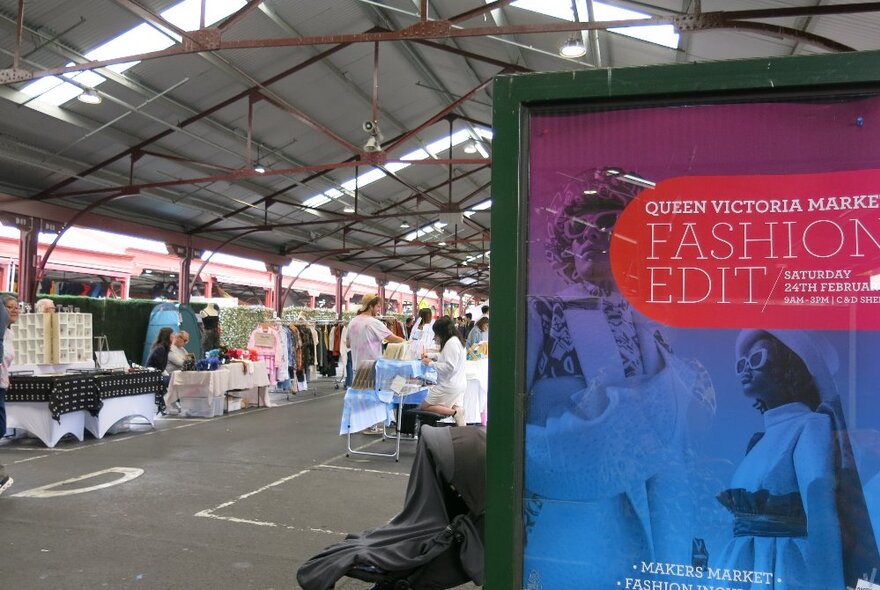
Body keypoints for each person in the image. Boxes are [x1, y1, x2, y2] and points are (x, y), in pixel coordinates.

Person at [522, 168, 716, 589]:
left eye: (609, 223)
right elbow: (515, 434)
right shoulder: (539, 314)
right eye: (578, 228)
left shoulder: (657, 329)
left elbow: (688, 434)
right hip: (569, 533)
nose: (590, 234)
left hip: (648, 531)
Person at [715, 329, 879, 590]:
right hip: (744, 571)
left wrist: (828, 584)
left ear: (790, 368)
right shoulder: (759, 442)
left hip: (784, 571)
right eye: (742, 364)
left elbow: (820, 514)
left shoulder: (811, 426)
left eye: (757, 359)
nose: (746, 368)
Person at [346, 294, 405, 434]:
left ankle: (364, 424)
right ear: (371, 305)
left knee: (363, 396)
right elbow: (391, 337)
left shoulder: (353, 322)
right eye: (378, 306)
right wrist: (405, 342)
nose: (379, 309)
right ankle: (370, 426)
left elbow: (348, 343)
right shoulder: (373, 322)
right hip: (372, 364)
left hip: (357, 364)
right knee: (373, 396)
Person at [419, 317, 467, 427]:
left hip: (448, 384)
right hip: (458, 383)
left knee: (425, 407)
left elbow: (449, 367)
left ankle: (455, 413)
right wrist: (431, 355)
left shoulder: (451, 343)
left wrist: (431, 363)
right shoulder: (457, 340)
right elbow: (446, 357)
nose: (436, 337)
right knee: (455, 405)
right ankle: (462, 428)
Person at [0, 294, 20, 496]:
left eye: (17, 307)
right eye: (9, 306)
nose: (15, 310)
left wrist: (7, 376)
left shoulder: (8, 333)